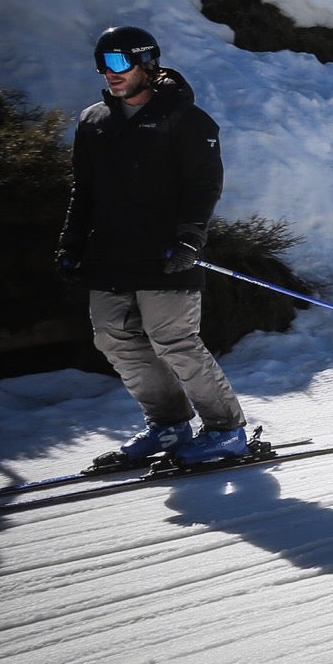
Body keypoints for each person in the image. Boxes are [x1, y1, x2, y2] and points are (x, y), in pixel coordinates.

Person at [56, 25, 249, 467]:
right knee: (113, 339)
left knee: (174, 341)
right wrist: (70, 243)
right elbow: (82, 190)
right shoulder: (93, 122)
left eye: (120, 62)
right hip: (108, 255)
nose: (110, 73)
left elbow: (204, 186)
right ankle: (169, 425)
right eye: (102, 64)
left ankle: (226, 430)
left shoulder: (187, 121)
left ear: (147, 63)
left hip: (165, 254)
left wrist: (190, 238)